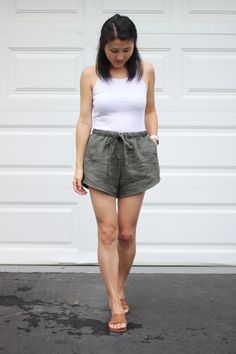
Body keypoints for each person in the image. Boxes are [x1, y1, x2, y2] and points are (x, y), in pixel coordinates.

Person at [72, 13, 161, 333]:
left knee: (126, 233)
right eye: (113, 50)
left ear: (133, 45)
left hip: (137, 151)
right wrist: (79, 165)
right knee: (107, 231)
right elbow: (84, 120)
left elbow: (150, 109)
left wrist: (152, 135)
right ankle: (113, 301)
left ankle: (119, 286)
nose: (120, 56)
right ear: (103, 47)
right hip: (101, 152)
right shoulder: (90, 75)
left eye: (125, 49)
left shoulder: (146, 70)